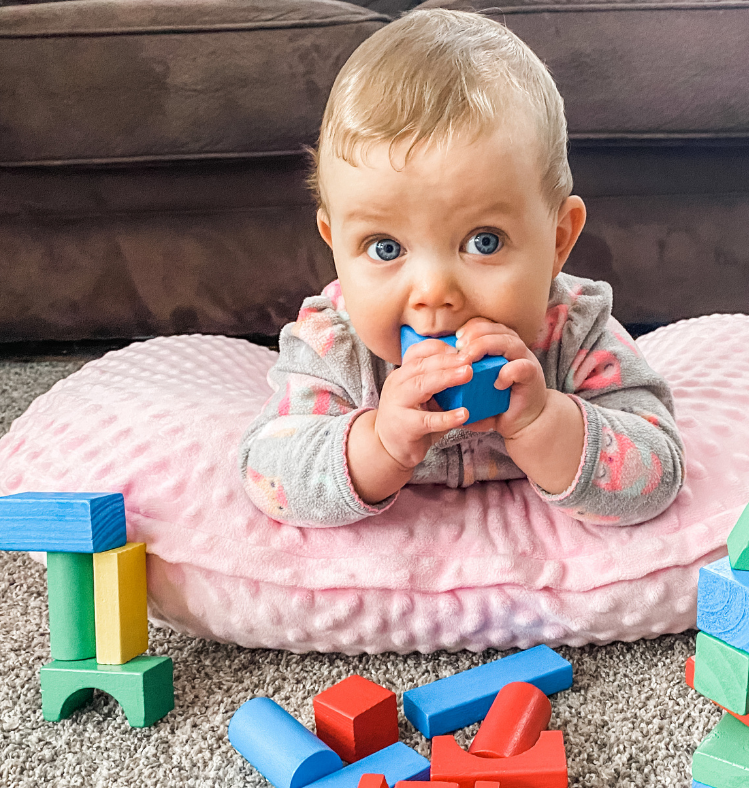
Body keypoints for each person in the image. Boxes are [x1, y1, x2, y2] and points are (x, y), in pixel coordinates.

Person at [239, 7, 686, 527]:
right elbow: (266, 469)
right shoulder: (335, 345)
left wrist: (546, 424)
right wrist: (377, 444)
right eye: (386, 247)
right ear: (335, 245)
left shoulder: (575, 332)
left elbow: (658, 467)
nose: (433, 292)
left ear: (558, 240)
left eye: (484, 241)